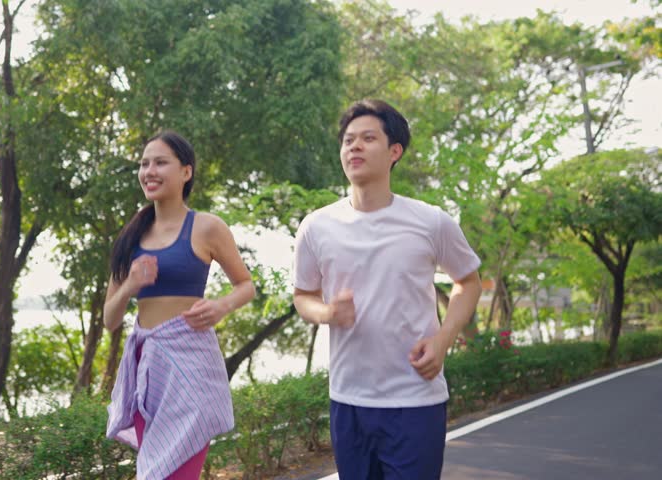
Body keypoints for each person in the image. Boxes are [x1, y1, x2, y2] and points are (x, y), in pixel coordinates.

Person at [292, 100, 482, 479]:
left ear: (395, 151)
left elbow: (468, 282)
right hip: (348, 400)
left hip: (415, 398)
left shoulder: (430, 221)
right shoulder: (316, 226)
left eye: (367, 138)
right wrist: (326, 313)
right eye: (348, 140)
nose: (354, 147)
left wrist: (443, 340)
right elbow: (303, 296)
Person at [104, 131, 255, 479]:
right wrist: (130, 285)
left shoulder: (206, 227)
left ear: (186, 172)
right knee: (154, 471)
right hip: (146, 373)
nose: (149, 171)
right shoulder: (130, 237)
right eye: (144, 164)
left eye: (160, 162)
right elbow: (110, 321)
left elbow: (246, 286)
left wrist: (221, 307)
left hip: (191, 369)